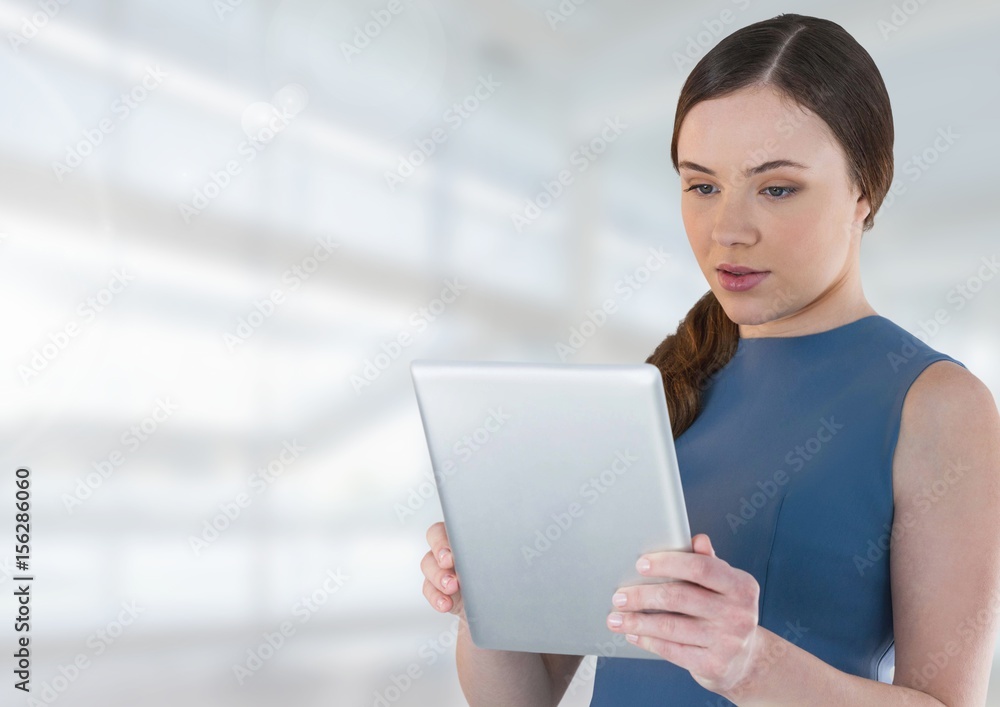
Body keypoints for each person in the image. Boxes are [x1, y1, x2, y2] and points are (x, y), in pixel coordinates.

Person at [419, 12, 1000, 706]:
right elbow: (524, 695)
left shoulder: (937, 404)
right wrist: (486, 600)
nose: (727, 229)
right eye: (702, 185)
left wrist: (751, 664)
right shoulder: (663, 388)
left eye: (776, 188)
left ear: (863, 191)